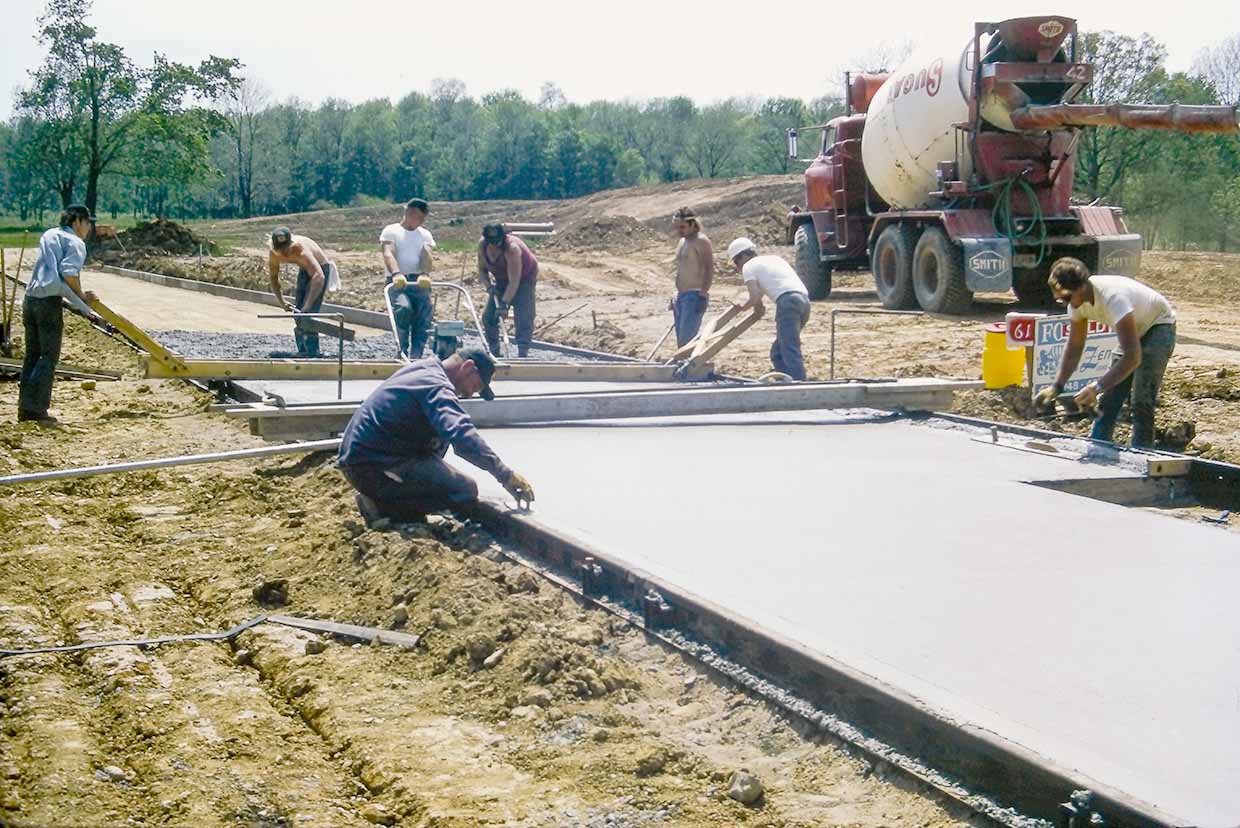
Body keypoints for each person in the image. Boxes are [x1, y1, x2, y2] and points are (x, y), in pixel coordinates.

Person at [337, 348, 535, 523]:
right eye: (474, 387)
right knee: (463, 490)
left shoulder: (424, 368)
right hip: (372, 467)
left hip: (364, 458)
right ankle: (383, 507)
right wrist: (505, 475)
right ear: (468, 367)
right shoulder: (437, 386)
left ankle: (392, 499)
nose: (469, 394)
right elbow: (461, 435)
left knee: (439, 442)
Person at [1034, 258, 1177, 447]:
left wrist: (1096, 387)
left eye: (1067, 298)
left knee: (1141, 401)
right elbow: (1075, 347)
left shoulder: (1113, 299)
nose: (1064, 303)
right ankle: (1097, 448)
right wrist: (1058, 386)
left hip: (1158, 326)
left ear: (1081, 287)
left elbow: (1133, 356)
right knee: (1109, 400)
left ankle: (1142, 457)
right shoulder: (1076, 305)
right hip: (1135, 331)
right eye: (1060, 299)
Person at [17, 204, 97, 424]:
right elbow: (69, 274)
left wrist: (82, 303)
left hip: (31, 300)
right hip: (48, 305)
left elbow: (59, 278)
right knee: (47, 357)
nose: (88, 229)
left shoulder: (50, 234)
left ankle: (25, 408)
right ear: (78, 221)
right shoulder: (75, 242)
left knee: (32, 355)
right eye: (88, 223)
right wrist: (81, 296)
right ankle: (36, 410)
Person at [727, 237, 812, 380]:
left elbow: (753, 297)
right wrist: (756, 309)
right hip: (804, 302)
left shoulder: (749, 267)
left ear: (743, 256)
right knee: (778, 352)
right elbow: (759, 300)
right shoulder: (774, 259)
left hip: (787, 303)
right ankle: (784, 381)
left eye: (736, 262)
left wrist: (741, 308)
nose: (738, 267)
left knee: (789, 349)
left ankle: (798, 386)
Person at [268, 227, 339, 357]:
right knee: (298, 312)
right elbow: (273, 278)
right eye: (280, 251)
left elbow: (319, 276)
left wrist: (307, 305)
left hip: (320, 269)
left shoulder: (301, 251)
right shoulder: (273, 253)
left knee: (308, 313)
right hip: (305, 270)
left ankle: (312, 351)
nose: (284, 254)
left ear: (291, 246)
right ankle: (303, 350)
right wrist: (282, 302)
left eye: (286, 250)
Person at [381, 198, 436, 358]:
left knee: (423, 319)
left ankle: (416, 356)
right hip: (399, 282)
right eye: (419, 217)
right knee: (403, 310)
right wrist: (396, 273)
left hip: (418, 281)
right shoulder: (392, 231)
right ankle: (402, 352)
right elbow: (388, 252)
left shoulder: (424, 234)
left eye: (423, 218)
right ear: (409, 213)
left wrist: (425, 273)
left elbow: (426, 254)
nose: (421, 221)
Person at [477, 223, 538, 357]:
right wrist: (489, 287)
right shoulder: (483, 245)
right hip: (501, 280)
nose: (494, 245)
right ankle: (494, 352)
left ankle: (523, 352)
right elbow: (482, 270)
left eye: (497, 241)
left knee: (524, 315)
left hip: (524, 279)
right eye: (490, 241)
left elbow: (514, 281)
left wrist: (504, 303)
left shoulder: (512, 249)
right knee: (489, 317)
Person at [669, 207, 714, 347]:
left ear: (692, 224)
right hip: (681, 296)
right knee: (681, 342)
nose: (679, 231)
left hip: (694, 296)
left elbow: (709, 268)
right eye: (676, 227)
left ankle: (691, 367)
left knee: (687, 341)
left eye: (682, 227)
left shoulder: (701, 241)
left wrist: (703, 294)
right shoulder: (682, 241)